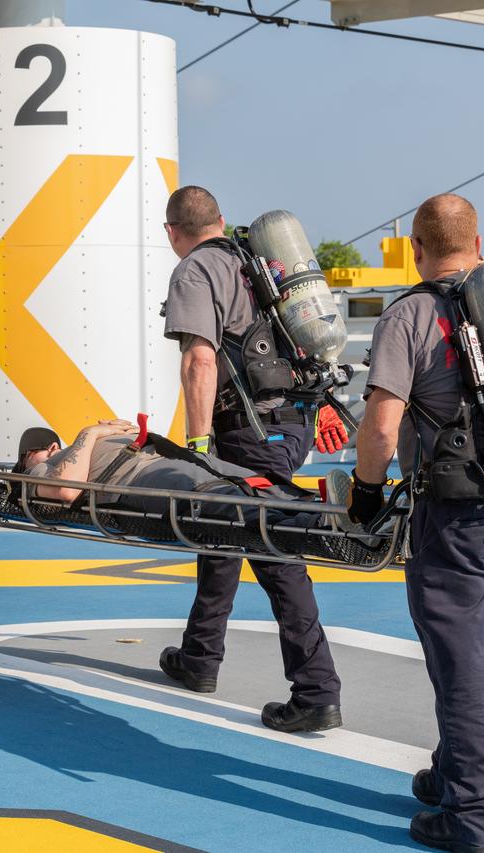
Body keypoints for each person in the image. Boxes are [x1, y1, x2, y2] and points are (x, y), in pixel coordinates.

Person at [352, 194, 484, 852]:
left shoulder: (410, 313)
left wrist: (365, 491)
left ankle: (471, 815)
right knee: (482, 642)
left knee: (459, 661)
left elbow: (382, 426)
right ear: (478, 239)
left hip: (458, 508)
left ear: (416, 247)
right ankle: (449, 771)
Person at [155, 185, 345, 733]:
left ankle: (316, 690)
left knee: (275, 551)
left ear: (173, 232)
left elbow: (198, 360)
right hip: (292, 420)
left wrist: (195, 449)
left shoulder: (195, 271)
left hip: (248, 429)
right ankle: (199, 656)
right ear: (219, 219)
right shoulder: (258, 262)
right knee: (223, 531)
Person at [14, 420, 353, 527]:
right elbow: (65, 492)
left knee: (252, 482)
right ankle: (318, 522)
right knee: (216, 498)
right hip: (135, 479)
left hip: (164, 458)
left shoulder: (69, 451)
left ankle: (331, 510)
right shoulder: (41, 469)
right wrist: (89, 433)